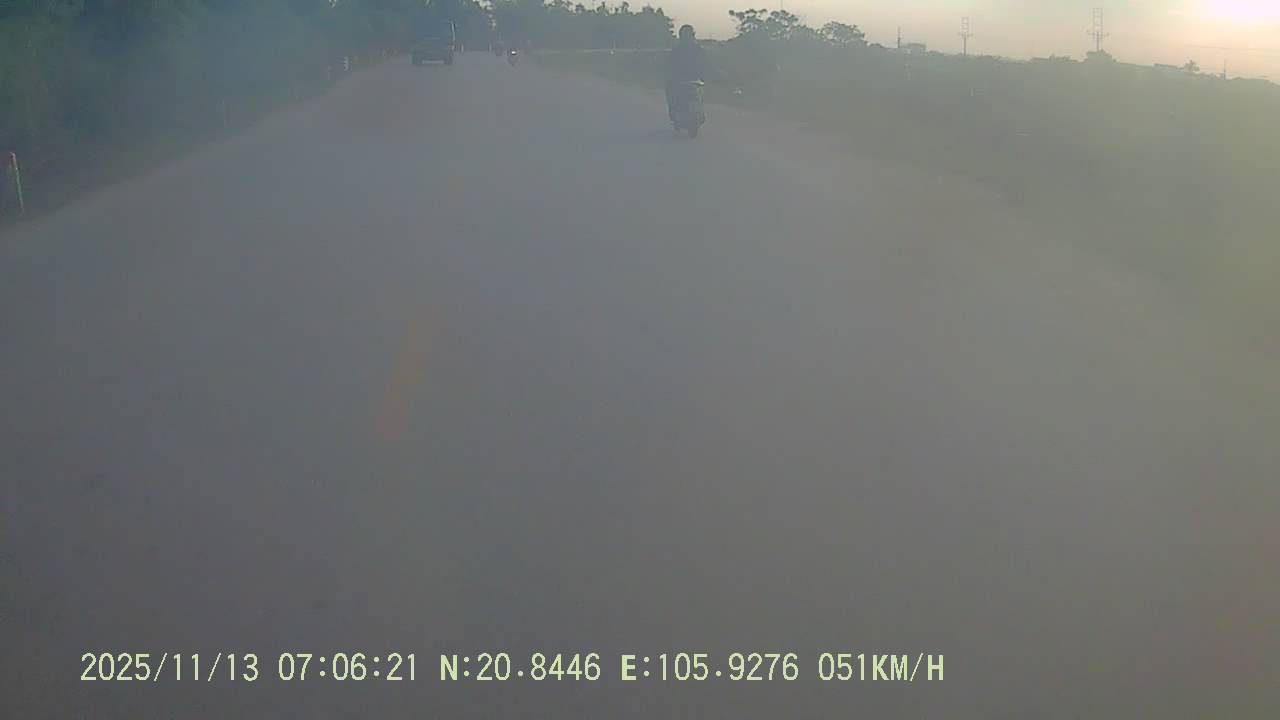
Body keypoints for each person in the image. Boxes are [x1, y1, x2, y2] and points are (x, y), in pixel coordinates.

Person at [666, 25, 707, 125]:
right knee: (672, 93)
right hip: (688, 79)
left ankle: (677, 111)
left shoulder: (677, 49)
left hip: (687, 79)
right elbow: (706, 63)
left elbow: (669, 65)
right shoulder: (697, 48)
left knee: (671, 92)